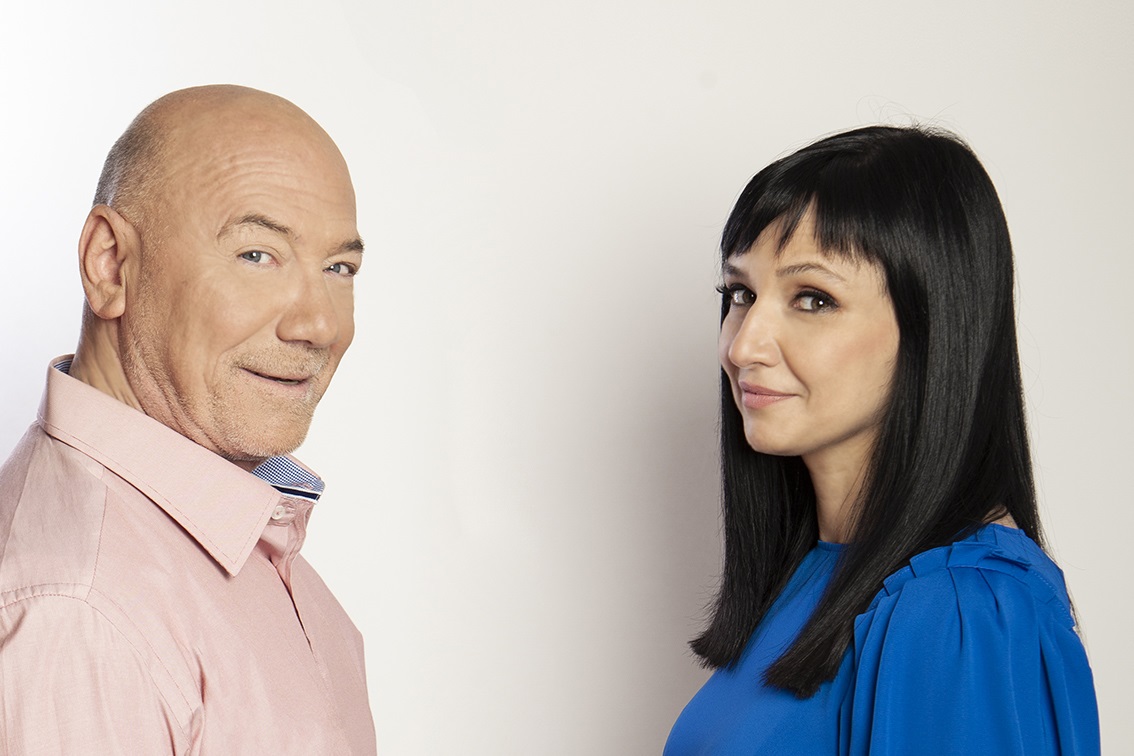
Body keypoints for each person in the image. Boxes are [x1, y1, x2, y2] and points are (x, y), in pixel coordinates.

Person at [664, 126, 1099, 754]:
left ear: (933, 328)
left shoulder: (961, 610)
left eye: (813, 299)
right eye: (741, 294)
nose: (743, 345)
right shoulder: (819, 573)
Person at [0, 85, 376, 754]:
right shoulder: (79, 611)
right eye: (256, 255)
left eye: (338, 267)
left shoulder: (235, 537)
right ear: (110, 263)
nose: (319, 325)